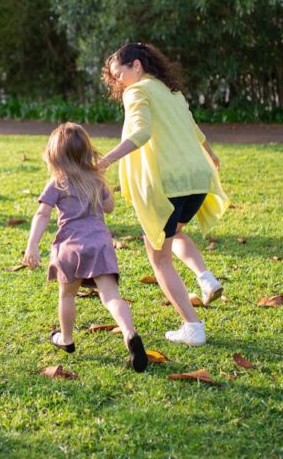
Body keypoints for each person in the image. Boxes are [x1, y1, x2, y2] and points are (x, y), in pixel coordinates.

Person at [97, 42, 228, 347]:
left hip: (168, 185)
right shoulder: (173, 93)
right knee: (174, 234)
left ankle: (192, 327)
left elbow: (140, 133)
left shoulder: (137, 91)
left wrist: (105, 160)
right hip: (196, 180)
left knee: (159, 258)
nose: (118, 82)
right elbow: (195, 129)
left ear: (137, 66)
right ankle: (205, 278)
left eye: (120, 74)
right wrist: (211, 156)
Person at [23, 123, 148, 372]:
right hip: (99, 244)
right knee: (111, 296)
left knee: (67, 294)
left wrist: (32, 245)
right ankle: (129, 332)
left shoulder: (56, 182)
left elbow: (42, 213)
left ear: (54, 156)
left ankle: (66, 339)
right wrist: (103, 185)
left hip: (69, 246)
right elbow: (109, 207)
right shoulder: (95, 179)